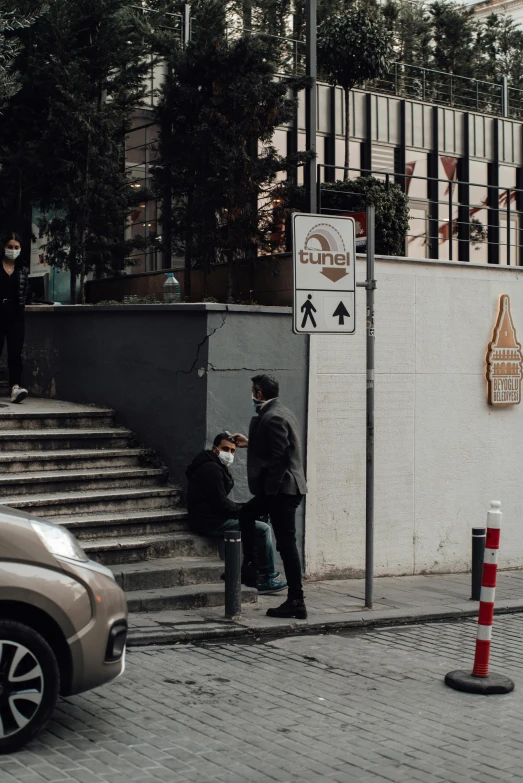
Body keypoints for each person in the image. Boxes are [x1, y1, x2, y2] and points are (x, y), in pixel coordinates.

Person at [233, 374, 308, 620]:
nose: (252, 394)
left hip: (282, 490)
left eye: (253, 390)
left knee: (286, 545)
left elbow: (281, 456)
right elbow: (276, 446)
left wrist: (270, 491)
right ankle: (253, 568)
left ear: (259, 393)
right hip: (284, 489)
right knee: (248, 514)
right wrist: (250, 442)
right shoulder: (280, 411)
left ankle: (295, 599)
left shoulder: (273, 416)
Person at [185, 432, 287, 594]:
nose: (230, 454)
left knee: (258, 524)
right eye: (225, 449)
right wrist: (247, 511)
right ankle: (266, 576)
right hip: (208, 521)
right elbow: (221, 504)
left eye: (233, 451)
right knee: (262, 529)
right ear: (215, 449)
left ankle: (263, 571)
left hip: (211, 516)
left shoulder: (215, 466)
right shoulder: (211, 469)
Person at [0, 233, 29, 403]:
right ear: (4, 247)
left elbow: (25, 293)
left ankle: (15, 388)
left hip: (16, 316)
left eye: (16, 247)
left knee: (15, 354)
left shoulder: (22, 270)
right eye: (10, 246)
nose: (13, 250)